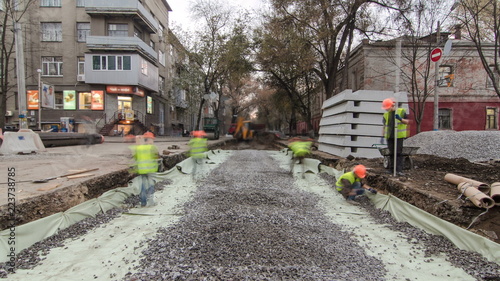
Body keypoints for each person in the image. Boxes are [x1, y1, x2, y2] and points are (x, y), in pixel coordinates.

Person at [130, 132, 159, 207]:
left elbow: (135, 157)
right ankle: (151, 202)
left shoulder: (139, 148)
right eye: (152, 139)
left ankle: (143, 202)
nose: (153, 141)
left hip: (142, 170)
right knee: (151, 185)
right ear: (149, 140)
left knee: (143, 186)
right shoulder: (152, 147)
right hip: (150, 170)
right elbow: (156, 156)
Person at [381, 98, 409, 175]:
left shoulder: (401, 111)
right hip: (389, 136)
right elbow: (384, 126)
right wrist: (382, 136)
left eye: (387, 107)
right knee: (391, 153)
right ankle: (391, 169)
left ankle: (399, 170)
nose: (386, 109)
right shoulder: (386, 115)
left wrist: (400, 119)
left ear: (391, 105)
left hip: (398, 136)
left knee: (398, 153)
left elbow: (407, 121)